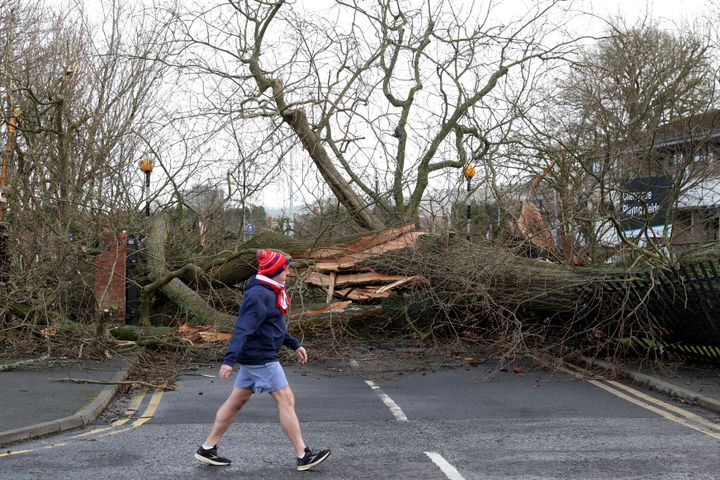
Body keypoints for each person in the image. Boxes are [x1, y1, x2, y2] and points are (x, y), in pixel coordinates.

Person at [194, 249, 331, 471]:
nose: (288, 273)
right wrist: (229, 360)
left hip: (255, 356)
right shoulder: (260, 295)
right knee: (286, 400)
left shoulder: (269, 291)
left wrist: (294, 344)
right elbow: (243, 328)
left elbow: (271, 327)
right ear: (274, 271)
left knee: (235, 402)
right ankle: (303, 454)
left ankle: (207, 448)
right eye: (284, 270)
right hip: (261, 358)